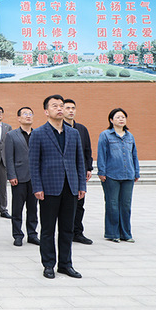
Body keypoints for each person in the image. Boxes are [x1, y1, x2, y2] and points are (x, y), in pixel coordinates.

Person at [29, 94, 86, 280]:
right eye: (55, 106)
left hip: (70, 187)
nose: (60, 109)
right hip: (48, 188)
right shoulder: (38, 133)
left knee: (67, 229)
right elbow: (33, 164)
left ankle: (65, 264)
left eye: (61, 105)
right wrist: (37, 187)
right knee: (48, 229)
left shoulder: (73, 133)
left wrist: (81, 185)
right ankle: (48, 264)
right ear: (46, 111)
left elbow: (79, 161)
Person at [97, 107, 140, 243]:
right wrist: (101, 172)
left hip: (128, 175)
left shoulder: (130, 136)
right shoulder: (105, 135)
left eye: (123, 117)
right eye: (118, 117)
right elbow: (101, 154)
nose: (121, 119)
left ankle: (126, 234)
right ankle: (112, 233)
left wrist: (136, 171)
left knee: (126, 205)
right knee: (113, 205)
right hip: (111, 175)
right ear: (111, 120)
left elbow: (134, 155)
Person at [4, 107, 40, 247]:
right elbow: (9, 157)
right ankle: (17, 235)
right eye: (25, 114)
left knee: (33, 208)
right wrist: (11, 175)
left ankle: (32, 234)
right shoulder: (11, 135)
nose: (28, 116)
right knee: (17, 208)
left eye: (30, 113)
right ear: (19, 118)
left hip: (35, 178)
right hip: (18, 177)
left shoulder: (38, 134)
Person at [63, 98, 94, 245]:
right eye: (67, 108)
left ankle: (77, 232)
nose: (71, 111)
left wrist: (89, 168)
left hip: (79, 172)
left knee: (80, 204)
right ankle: (66, 232)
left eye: (73, 108)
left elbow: (87, 150)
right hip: (65, 172)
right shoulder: (59, 129)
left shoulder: (82, 129)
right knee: (66, 206)